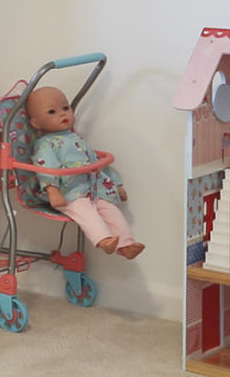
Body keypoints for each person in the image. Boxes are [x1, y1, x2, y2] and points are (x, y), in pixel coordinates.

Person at [12, 79, 142, 258]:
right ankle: (103, 240)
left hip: (93, 188)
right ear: (35, 123)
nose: (62, 114)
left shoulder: (75, 138)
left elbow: (94, 162)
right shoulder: (46, 144)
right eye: (52, 112)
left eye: (65, 108)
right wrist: (53, 190)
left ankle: (126, 244)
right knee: (85, 212)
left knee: (111, 209)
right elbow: (45, 166)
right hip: (68, 192)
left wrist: (116, 184)